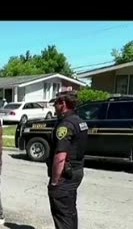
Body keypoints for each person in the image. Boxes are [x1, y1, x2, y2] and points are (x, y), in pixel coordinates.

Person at [46, 92, 88, 229]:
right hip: (76, 171)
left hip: (65, 175)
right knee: (69, 211)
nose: (54, 107)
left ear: (63, 104)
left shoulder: (65, 125)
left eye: (56, 104)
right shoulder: (79, 121)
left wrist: (54, 181)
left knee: (61, 213)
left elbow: (60, 156)